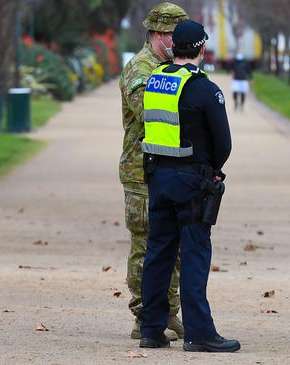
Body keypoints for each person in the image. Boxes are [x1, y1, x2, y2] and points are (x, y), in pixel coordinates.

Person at [138, 19, 240, 353]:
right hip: (192, 178)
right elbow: (223, 143)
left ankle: (151, 329)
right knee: (195, 254)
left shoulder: (155, 80)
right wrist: (214, 169)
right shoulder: (204, 88)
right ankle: (199, 334)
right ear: (200, 48)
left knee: (158, 252)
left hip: (158, 175)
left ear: (173, 46)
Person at [118, 2, 187, 341]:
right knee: (146, 245)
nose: (179, 43)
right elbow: (149, 110)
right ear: (159, 34)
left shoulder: (172, 67)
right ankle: (144, 314)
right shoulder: (140, 68)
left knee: (172, 245)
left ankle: (168, 311)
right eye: (175, 36)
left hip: (168, 168)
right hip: (140, 170)